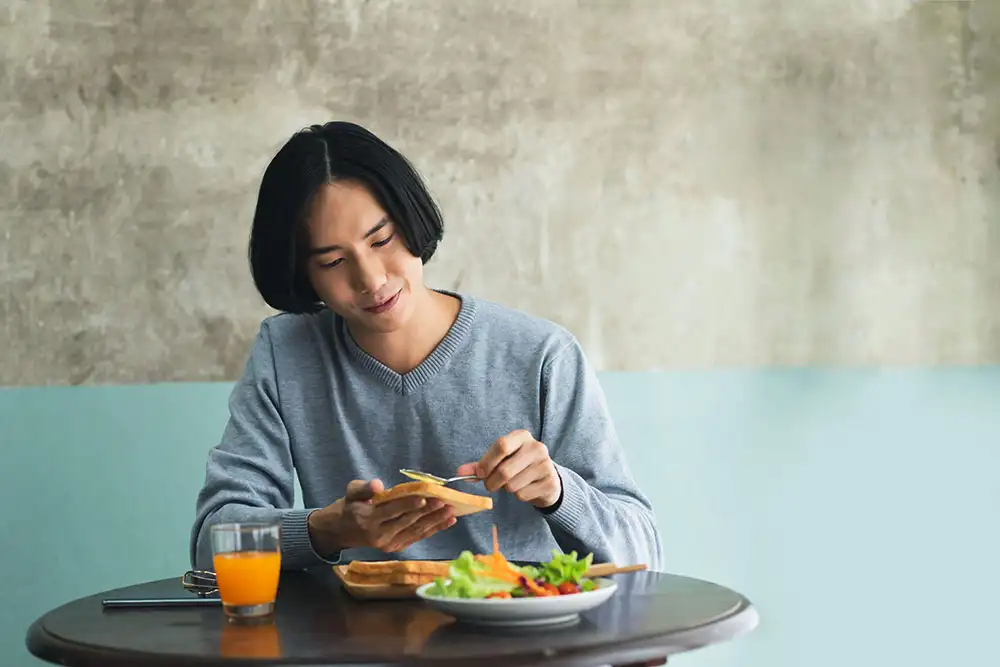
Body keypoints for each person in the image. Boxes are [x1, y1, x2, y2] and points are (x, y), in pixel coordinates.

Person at [189, 121, 663, 572]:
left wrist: (559, 492)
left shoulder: (541, 355)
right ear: (303, 274)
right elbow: (215, 544)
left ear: (411, 220)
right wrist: (328, 529)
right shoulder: (285, 353)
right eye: (333, 261)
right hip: (355, 647)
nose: (371, 280)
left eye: (383, 240)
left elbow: (643, 553)